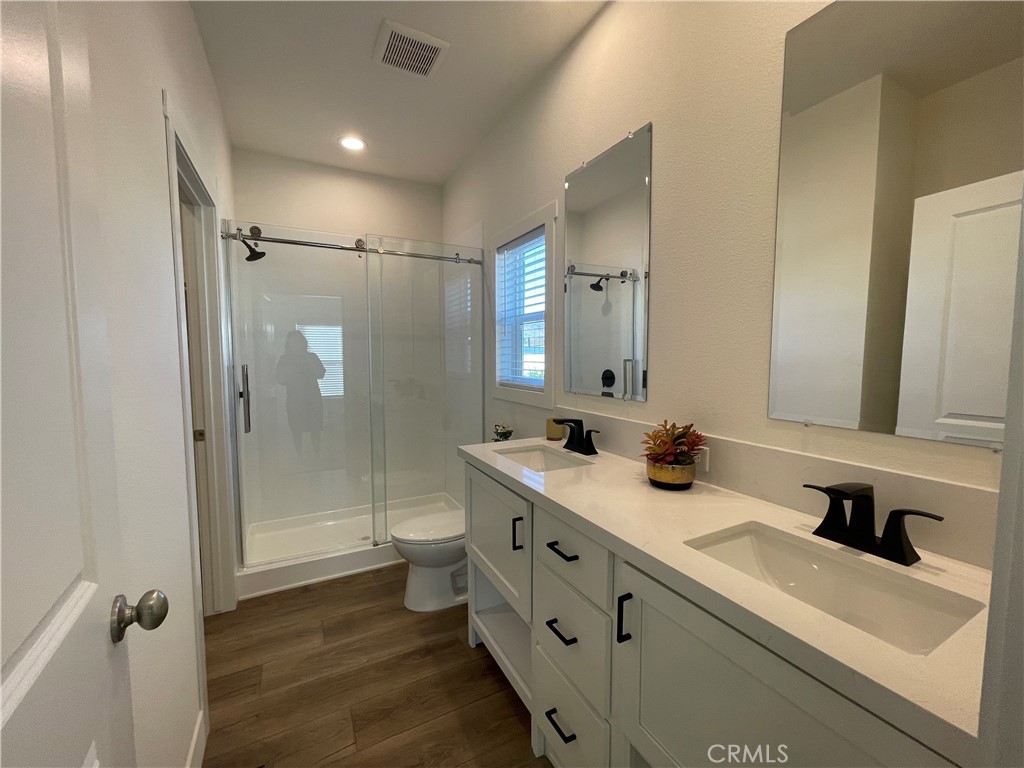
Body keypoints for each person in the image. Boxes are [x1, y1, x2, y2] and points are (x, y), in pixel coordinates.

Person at [275, 330, 326, 457]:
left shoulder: (311, 357)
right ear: (288, 344)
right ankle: (299, 456)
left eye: (298, 341)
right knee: (296, 429)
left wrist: (309, 363)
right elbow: (280, 379)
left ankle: (317, 455)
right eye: (293, 341)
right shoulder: (285, 359)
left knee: (315, 429)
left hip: (313, 399)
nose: (296, 344)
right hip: (295, 400)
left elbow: (321, 373)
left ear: (303, 342)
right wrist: (290, 369)